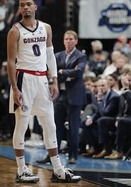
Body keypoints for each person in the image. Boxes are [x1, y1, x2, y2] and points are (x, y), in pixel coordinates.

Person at [7, 0, 81, 183]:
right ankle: (21, 169)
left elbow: (50, 57)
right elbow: (10, 62)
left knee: (50, 124)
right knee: (22, 124)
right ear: (19, 8)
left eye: (29, 4)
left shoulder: (45, 28)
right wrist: (14, 89)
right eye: (22, 4)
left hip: (42, 80)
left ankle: (57, 169)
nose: (25, 7)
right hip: (23, 78)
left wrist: (54, 80)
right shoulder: (15, 30)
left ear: (35, 6)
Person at [37, 30, 87, 164]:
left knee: (73, 127)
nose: (68, 41)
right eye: (66, 39)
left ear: (76, 41)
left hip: (74, 95)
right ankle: (52, 155)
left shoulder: (81, 56)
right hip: (60, 95)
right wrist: (66, 73)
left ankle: (73, 156)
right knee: (54, 126)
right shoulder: (58, 55)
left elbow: (78, 72)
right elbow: (50, 72)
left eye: (71, 39)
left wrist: (60, 71)